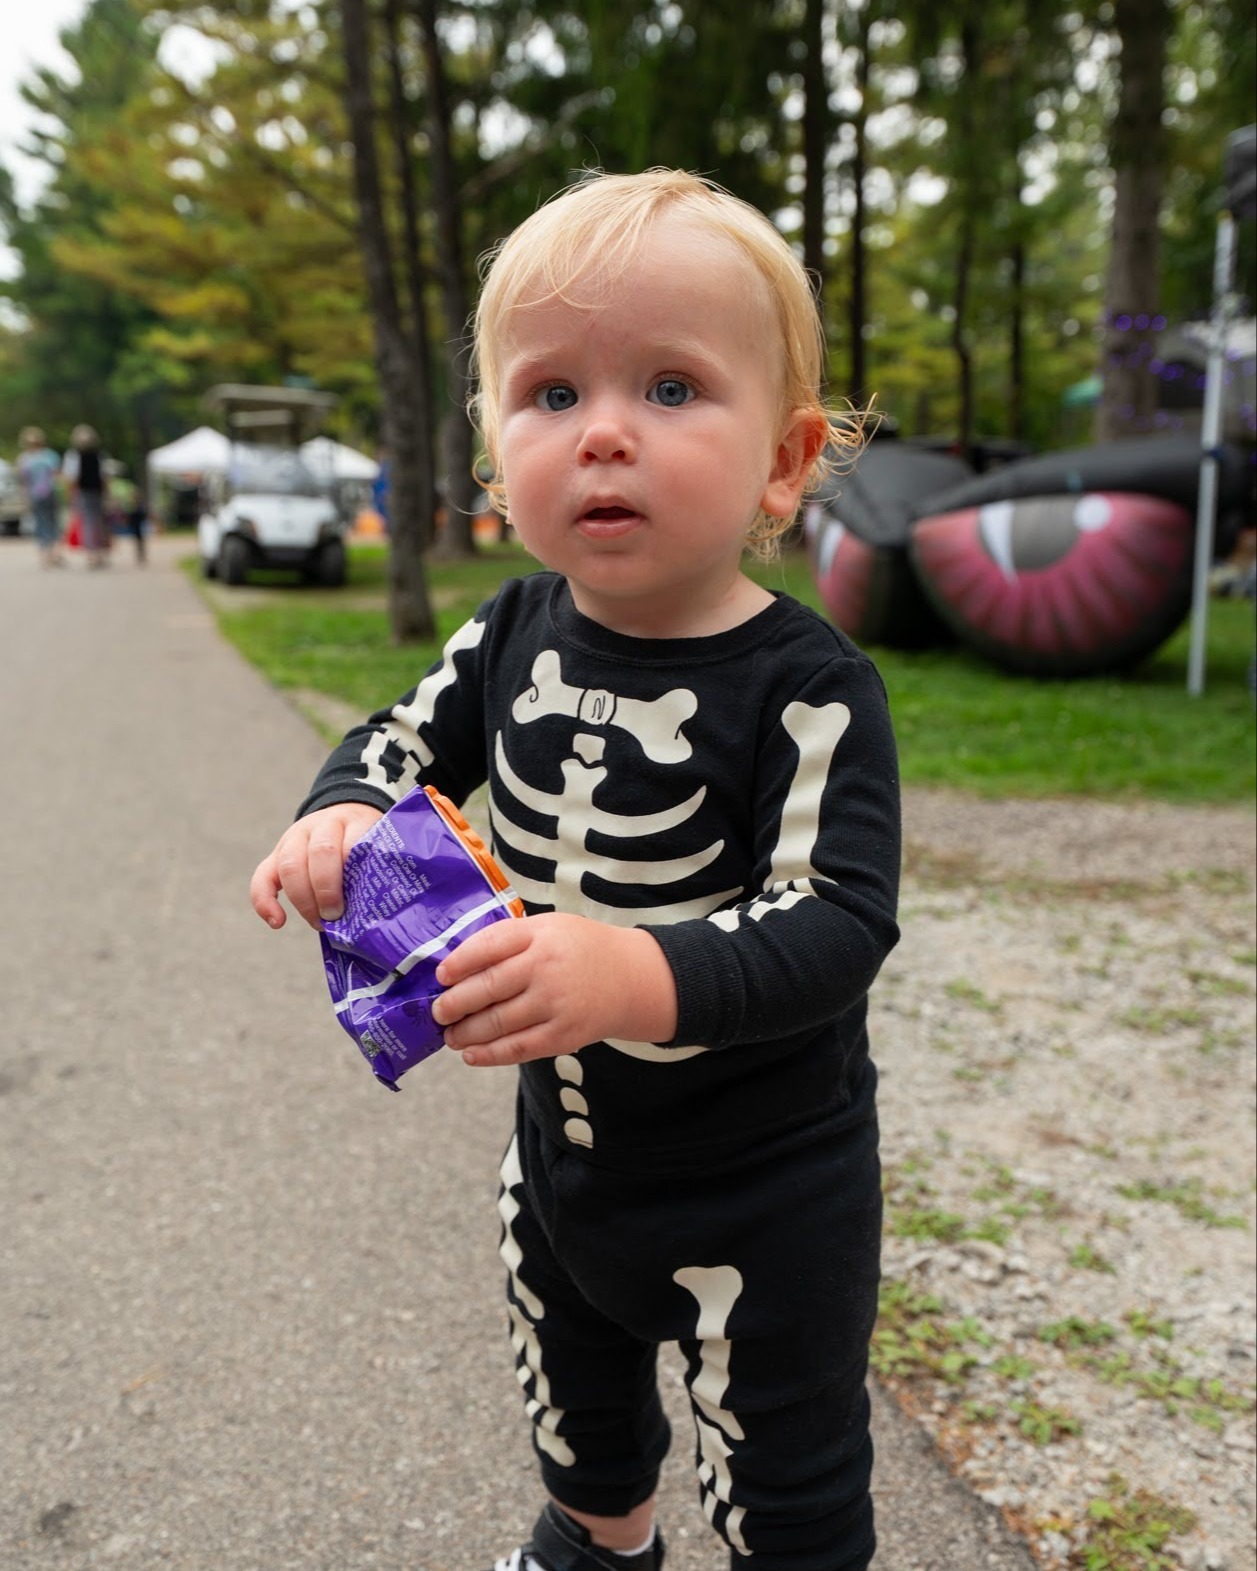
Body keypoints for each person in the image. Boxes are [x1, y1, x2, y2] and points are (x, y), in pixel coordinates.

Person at [250, 169, 901, 1571]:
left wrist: (633, 964)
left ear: (784, 460)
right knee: (580, 1415)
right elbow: (394, 742)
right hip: (567, 1156)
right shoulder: (513, 632)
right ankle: (597, 1544)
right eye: (550, 395)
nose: (603, 432)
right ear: (495, 457)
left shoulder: (810, 685)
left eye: (670, 387)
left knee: (791, 1481)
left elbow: (838, 915)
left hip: (767, 1188)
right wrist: (341, 814)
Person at [16, 427, 64, 567]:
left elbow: (24, 481)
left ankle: (45, 555)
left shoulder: (25, 458)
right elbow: (57, 475)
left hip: (37, 494)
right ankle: (52, 553)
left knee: (41, 523)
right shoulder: (49, 455)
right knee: (52, 522)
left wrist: (25, 497)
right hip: (50, 492)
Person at [63, 424, 109, 568]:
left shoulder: (74, 456)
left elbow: (72, 478)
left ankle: (92, 554)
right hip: (96, 492)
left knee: (88, 523)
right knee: (98, 522)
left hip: (84, 492)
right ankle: (98, 553)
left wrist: (71, 496)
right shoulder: (99, 455)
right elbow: (104, 477)